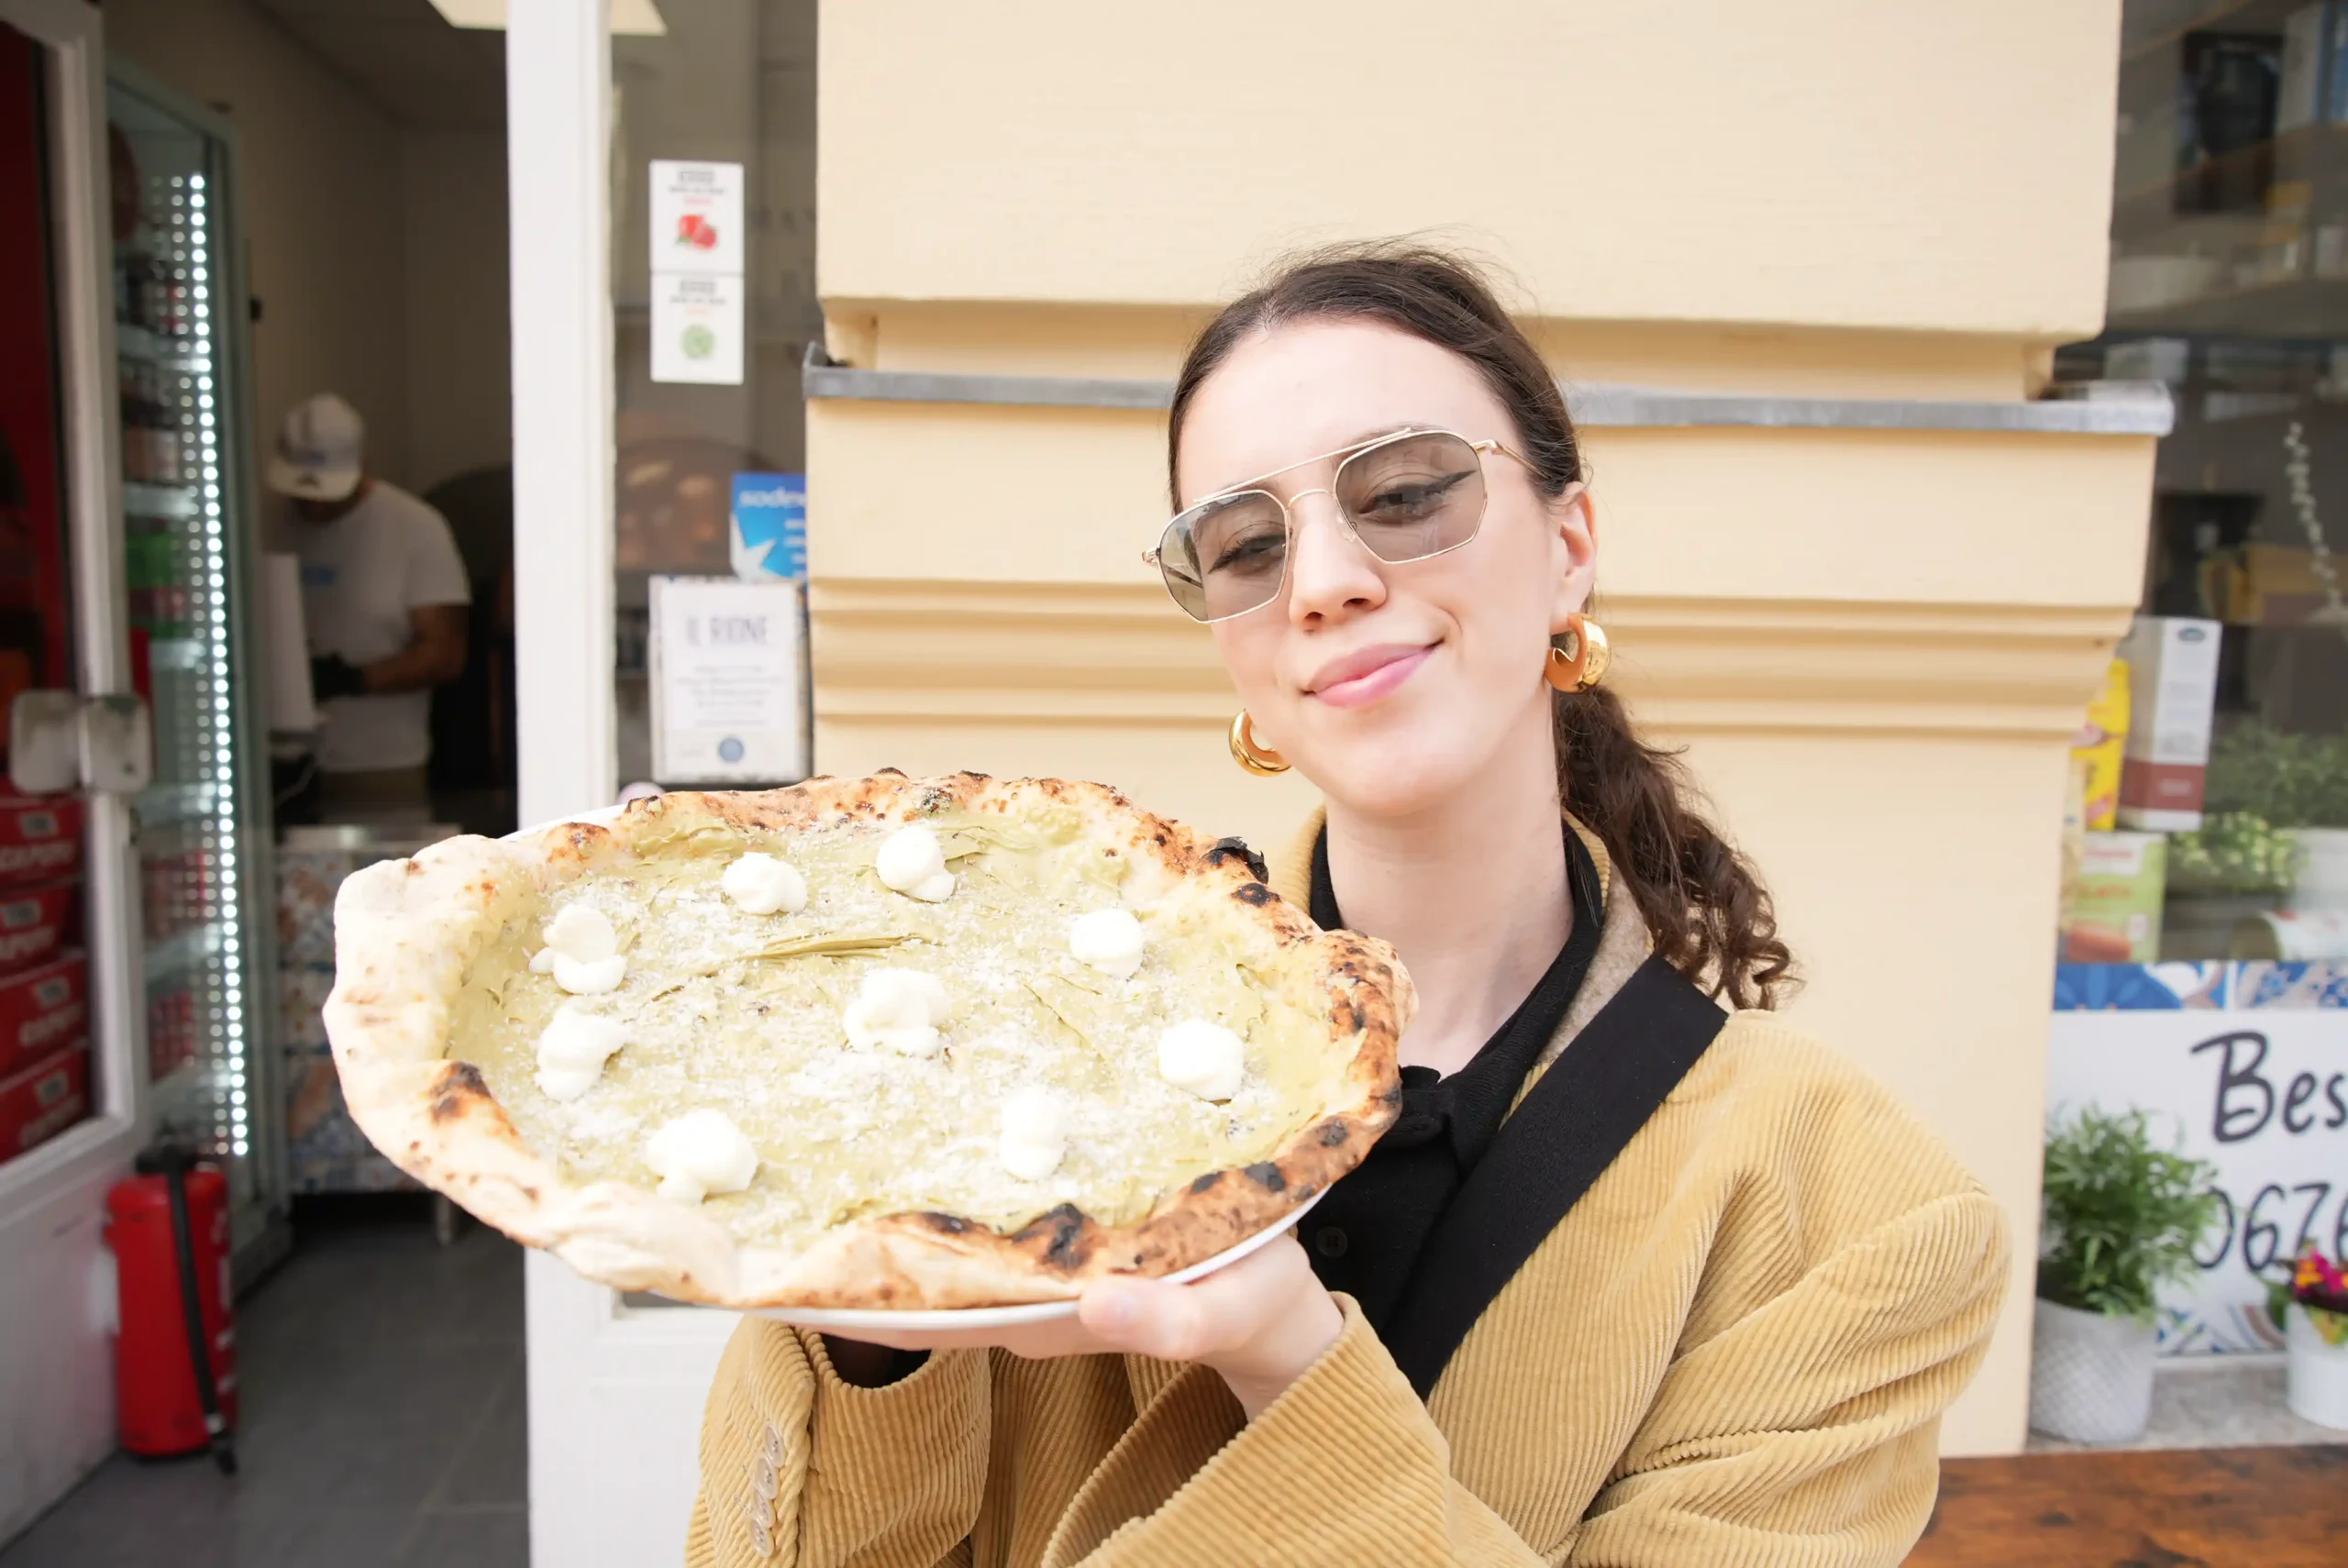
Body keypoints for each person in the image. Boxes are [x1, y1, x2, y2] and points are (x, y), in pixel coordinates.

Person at [688, 246, 2009, 1566]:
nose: (1322, 579)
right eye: (1246, 544)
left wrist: (1286, 1357)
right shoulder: (1012, 1035)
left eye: (1406, 491)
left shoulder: (1856, 1215)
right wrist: (865, 1334)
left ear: (1568, 548)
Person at [270, 392, 471, 822]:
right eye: (303, 495)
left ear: (362, 464)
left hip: (379, 767)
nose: (314, 506)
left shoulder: (415, 529)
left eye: (326, 495)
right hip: (279, 763)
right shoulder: (269, 525)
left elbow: (446, 654)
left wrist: (351, 678)